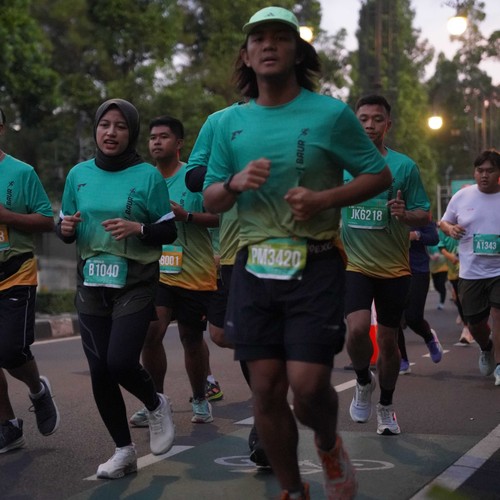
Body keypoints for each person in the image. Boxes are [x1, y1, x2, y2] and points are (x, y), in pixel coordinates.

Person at [202, 7, 392, 499]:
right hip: (253, 265)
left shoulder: (330, 114)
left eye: (280, 38)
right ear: (246, 55)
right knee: (265, 389)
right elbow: (210, 198)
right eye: (258, 39)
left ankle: (328, 445)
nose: (268, 45)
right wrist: (234, 183)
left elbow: (378, 175)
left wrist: (325, 199)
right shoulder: (229, 123)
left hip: (315, 263)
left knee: (307, 389)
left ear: (297, 52)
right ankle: (292, 490)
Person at [56, 99, 177, 478]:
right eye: (105, 125)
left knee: (120, 362)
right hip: (92, 283)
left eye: (120, 126)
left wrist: (138, 228)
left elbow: (168, 230)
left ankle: (155, 404)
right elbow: (65, 225)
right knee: (99, 370)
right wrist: (65, 229)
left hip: (135, 281)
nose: (111, 132)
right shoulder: (78, 174)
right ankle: (124, 450)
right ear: (96, 129)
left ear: (132, 133)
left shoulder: (147, 176)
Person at [185, 105, 270, 468]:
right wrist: (234, 177)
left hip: (294, 244)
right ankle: (267, 403)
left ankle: (267, 414)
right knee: (230, 335)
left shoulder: (305, 113)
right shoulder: (220, 121)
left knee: (265, 336)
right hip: (238, 247)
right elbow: (194, 177)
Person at [342, 94, 431, 436]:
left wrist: (405, 215)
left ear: (388, 125)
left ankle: (386, 406)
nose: (369, 125)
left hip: (394, 268)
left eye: (377, 119)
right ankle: (363, 380)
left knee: (389, 342)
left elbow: (424, 214)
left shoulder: (404, 167)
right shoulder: (341, 165)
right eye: (363, 119)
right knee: (357, 329)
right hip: (354, 264)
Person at [129, 115, 218, 427]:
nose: (156, 142)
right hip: (157, 272)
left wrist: (187, 216)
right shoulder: (143, 179)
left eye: (163, 136)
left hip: (195, 271)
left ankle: (200, 398)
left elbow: (221, 217)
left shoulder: (194, 178)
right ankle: (154, 402)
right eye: (152, 137)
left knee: (191, 338)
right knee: (150, 334)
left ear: (179, 143)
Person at [0, 107, 60, 454]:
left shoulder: (21, 172)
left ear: (2, 128)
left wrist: (7, 216)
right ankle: (8, 425)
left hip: (15, 271)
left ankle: (38, 390)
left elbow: (47, 220)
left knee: (9, 350)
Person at [439, 149, 500, 385]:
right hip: (471, 272)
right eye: (479, 170)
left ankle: (499, 365)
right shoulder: (462, 197)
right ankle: (486, 347)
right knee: (474, 323)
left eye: (490, 171)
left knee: (498, 315)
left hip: (498, 271)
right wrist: (450, 229)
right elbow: (444, 222)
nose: (484, 175)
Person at [398, 221, 443, 374]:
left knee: (413, 317)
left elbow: (434, 238)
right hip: (392, 269)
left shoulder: (419, 213)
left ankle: (429, 337)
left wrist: (416, 235)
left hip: (417, 270)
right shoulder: (385, 211)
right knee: (394, 319)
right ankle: (402, 359)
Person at [438, 229, 473, 343]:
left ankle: (475, 325)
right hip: (454, 271)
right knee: (460, 299)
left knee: (471, 298)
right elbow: (441, 246)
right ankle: (467, 327)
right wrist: (450, 256)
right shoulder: (445, 225)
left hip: (471, 269)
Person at [428, 243, 448, 310]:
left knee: (441, 284)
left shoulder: (440, 241)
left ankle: (441, 302)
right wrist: (430, 256)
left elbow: (445, 249)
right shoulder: (427, 243)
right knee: (436, 286)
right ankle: (443, 293)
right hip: (433, 268)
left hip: (443, 266)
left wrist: (439, 254)